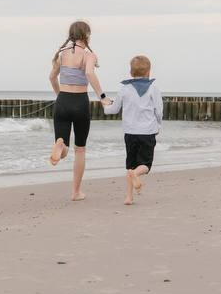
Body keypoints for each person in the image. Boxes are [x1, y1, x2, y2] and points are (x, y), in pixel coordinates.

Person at [47, 20, 107, 201]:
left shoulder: (61, 54)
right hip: (80, 102)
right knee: (80, 149)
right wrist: (103, 97)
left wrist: (60, 95)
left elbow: (51, 77)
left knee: (64, 144)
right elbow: (89, 73)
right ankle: (75, 192)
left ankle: (60, 144)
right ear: (86, 35)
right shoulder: (89, 55)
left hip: (62, 101)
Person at [101, 54, 165, 205]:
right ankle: (136, 173)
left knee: (130, 165)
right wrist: (158, 124)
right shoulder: (153, 89)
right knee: (146, 165)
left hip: (130, 133)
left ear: (130, 72)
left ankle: (129, 197)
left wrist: (104, 105)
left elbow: (113, 110)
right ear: (149, 72)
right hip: (147, 132)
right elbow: (159, 111)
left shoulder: (124, 89)